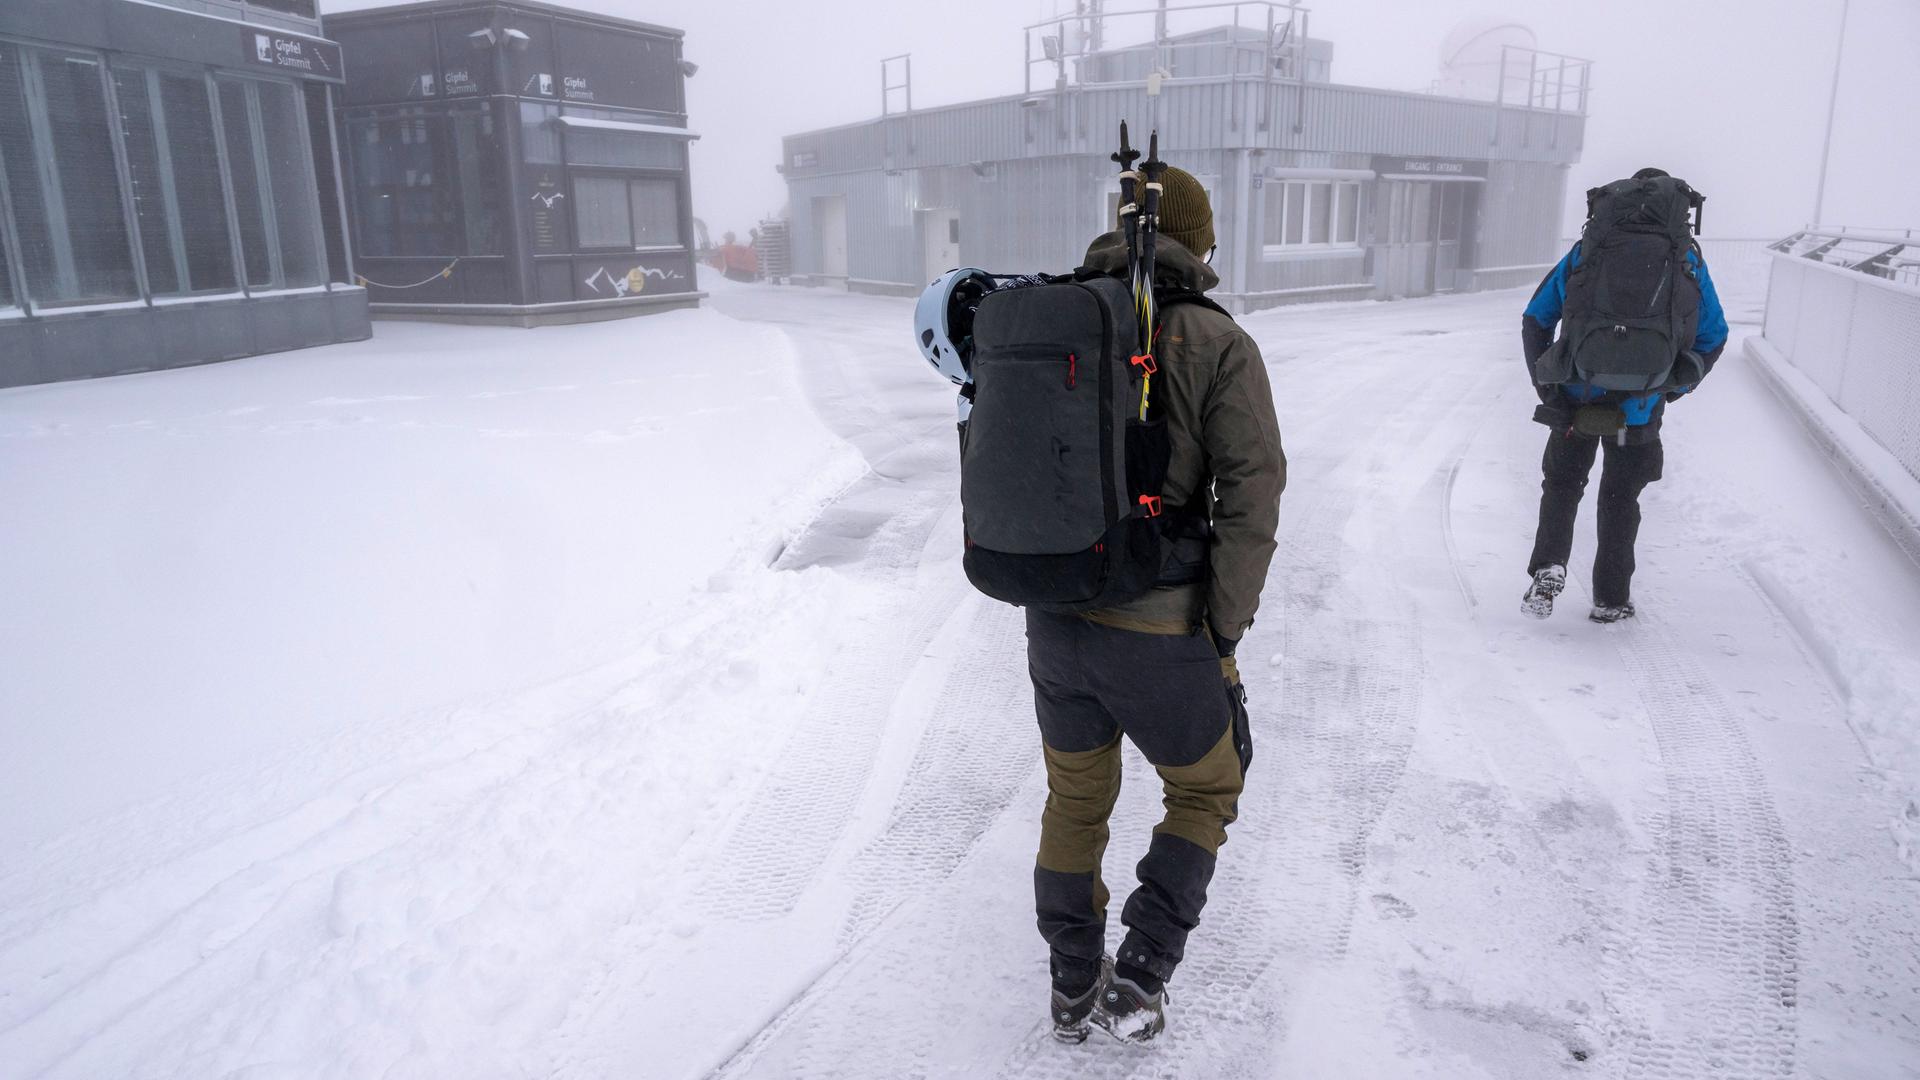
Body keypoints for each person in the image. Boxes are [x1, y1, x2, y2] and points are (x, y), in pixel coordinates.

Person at [1029, 166, 1285, 1042]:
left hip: (1056, 619)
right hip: (1161, 626)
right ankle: (1140, 972)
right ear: (1198, 239)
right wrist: (1220, 628)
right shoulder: (1217, 342)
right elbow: (1251, 496)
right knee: (1209, 785)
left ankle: (1070, 982)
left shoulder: (1062, 319)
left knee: (1075, 799)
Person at [1519, 167, 1727, 623]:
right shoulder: (1685, 258)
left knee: (1562, 485)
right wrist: (1672, 386)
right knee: (1619, 499)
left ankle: (1550, 563)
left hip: (1578, 394)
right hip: (1641, 403)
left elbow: (1536, 318)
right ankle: (1611, 598)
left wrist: (1550, 389)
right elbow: (1714, 335)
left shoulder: (1589, 251)